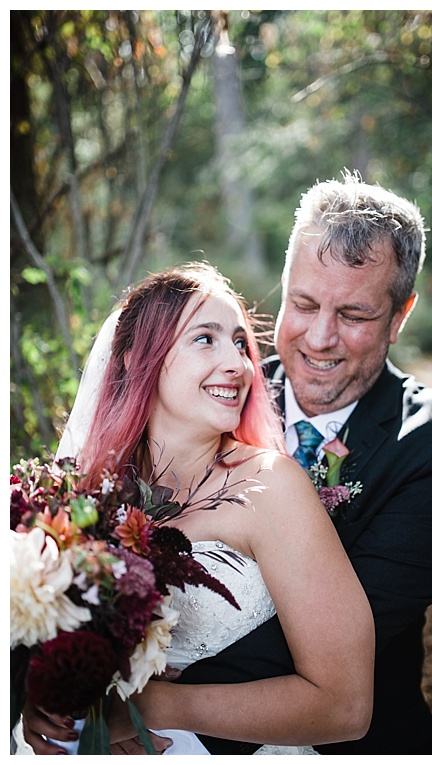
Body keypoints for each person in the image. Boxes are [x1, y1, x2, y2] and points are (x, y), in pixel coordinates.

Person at [17, 263, 375, 754]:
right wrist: (43, 697)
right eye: (205, 339)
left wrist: (154, 708)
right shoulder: (83, 496)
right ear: (130, 359)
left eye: (240, 343)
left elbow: (345, 707)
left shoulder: (271, 486)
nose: (239, 364)